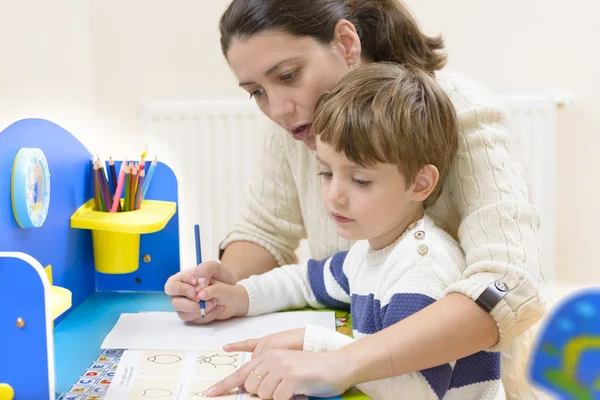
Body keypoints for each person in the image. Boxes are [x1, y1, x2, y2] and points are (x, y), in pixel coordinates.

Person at [164, 0, 547, 398]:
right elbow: (267, 229)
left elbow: (510, 285)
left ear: (346, 43)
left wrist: (335, 358)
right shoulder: (296, 122)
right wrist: (224, 290)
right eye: (257, 91)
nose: (277, 109)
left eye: (289, 75)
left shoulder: (457, 111)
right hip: (358, 370)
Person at [200, 62, 504, 400]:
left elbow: (417, 391)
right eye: (327, 174)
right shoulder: (369, 250)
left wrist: (315, 345)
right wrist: (241, 296)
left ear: (420, 183)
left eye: (359, 180)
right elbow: (308, 282)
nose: (334, 196)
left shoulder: (422, 267)